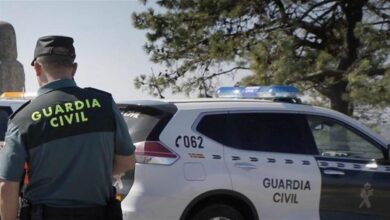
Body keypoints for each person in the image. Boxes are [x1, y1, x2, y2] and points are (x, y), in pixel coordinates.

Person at [0, 35, 135, 220]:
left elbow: (7, 185)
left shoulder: (23, 118)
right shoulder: (104, 104)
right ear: (74, 68)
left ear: (37, 68)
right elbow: (127, 161)